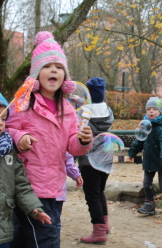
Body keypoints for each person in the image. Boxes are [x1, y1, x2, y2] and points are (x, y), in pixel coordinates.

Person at [6, 31, 93, 248]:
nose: (53, 70)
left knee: (25, 239)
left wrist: (83, 141)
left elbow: (72, 146)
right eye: (46, 66)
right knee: (47, 239)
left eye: (59, 66)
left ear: (65, 75)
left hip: (54, 186)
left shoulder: (69, 110)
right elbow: (7, 128)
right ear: (36, 73)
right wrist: (20, 136)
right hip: (27, 186)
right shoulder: (22, 104)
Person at [0, 93, 51, 248]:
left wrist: (33, 208)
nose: (1, 123)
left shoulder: (8, 149)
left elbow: (21, 184)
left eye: (3, 119)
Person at [78, 77, 114, 245]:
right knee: (99, 192)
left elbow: (79, 127)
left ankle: (98, 232)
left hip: (89, 159)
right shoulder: (108, 110)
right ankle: (104, 224)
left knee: (92, 195)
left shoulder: (84, 111)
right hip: (106, 157)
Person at [127, 97, 162, 215]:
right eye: (149, 109)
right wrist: (132, 153)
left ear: (160, 111)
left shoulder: (160, 128)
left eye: (154, 109)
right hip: (149, 161)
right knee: (146, 184)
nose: (151, 111)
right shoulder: (144, 127)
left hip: (161, 160)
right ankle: (149, 205)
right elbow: (139, 142)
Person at [55, 152, 83, 232]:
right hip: (57, 191)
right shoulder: (59, 140)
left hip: (48, 191)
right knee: (54, 222)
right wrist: (76, 174)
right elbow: (68, 158)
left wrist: (76, 174)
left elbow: (66, 157)